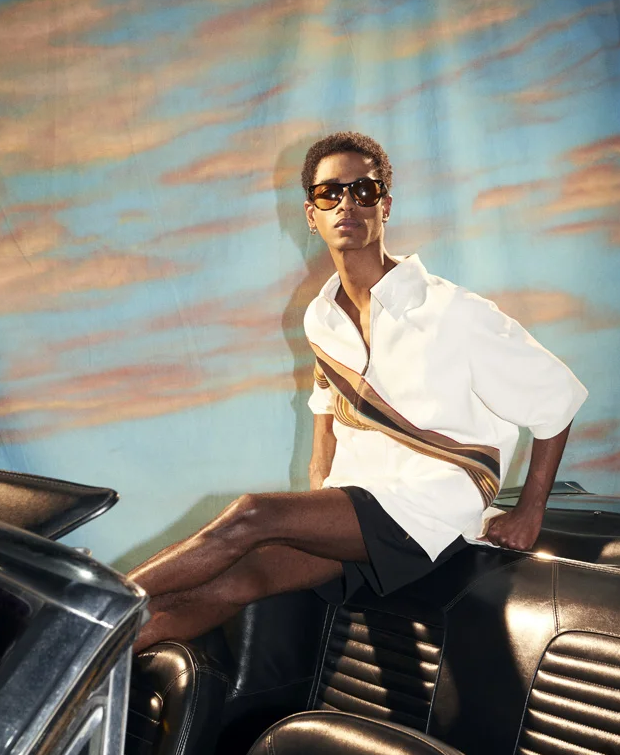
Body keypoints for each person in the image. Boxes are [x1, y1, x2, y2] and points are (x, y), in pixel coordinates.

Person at [129, 131, 586, 652]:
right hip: (360, 509)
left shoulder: (454, 312)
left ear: (384, 206)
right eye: (329, 194)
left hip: (430, 507)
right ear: (311, 214)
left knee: (252, 514)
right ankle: (89, 665)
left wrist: (529, 512)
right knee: (237, 582)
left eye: (363, 191)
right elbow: (326, 413)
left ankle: (92, 598)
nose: (346, 204)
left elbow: (556, 399)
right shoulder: (320, 316)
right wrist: (319, 500)